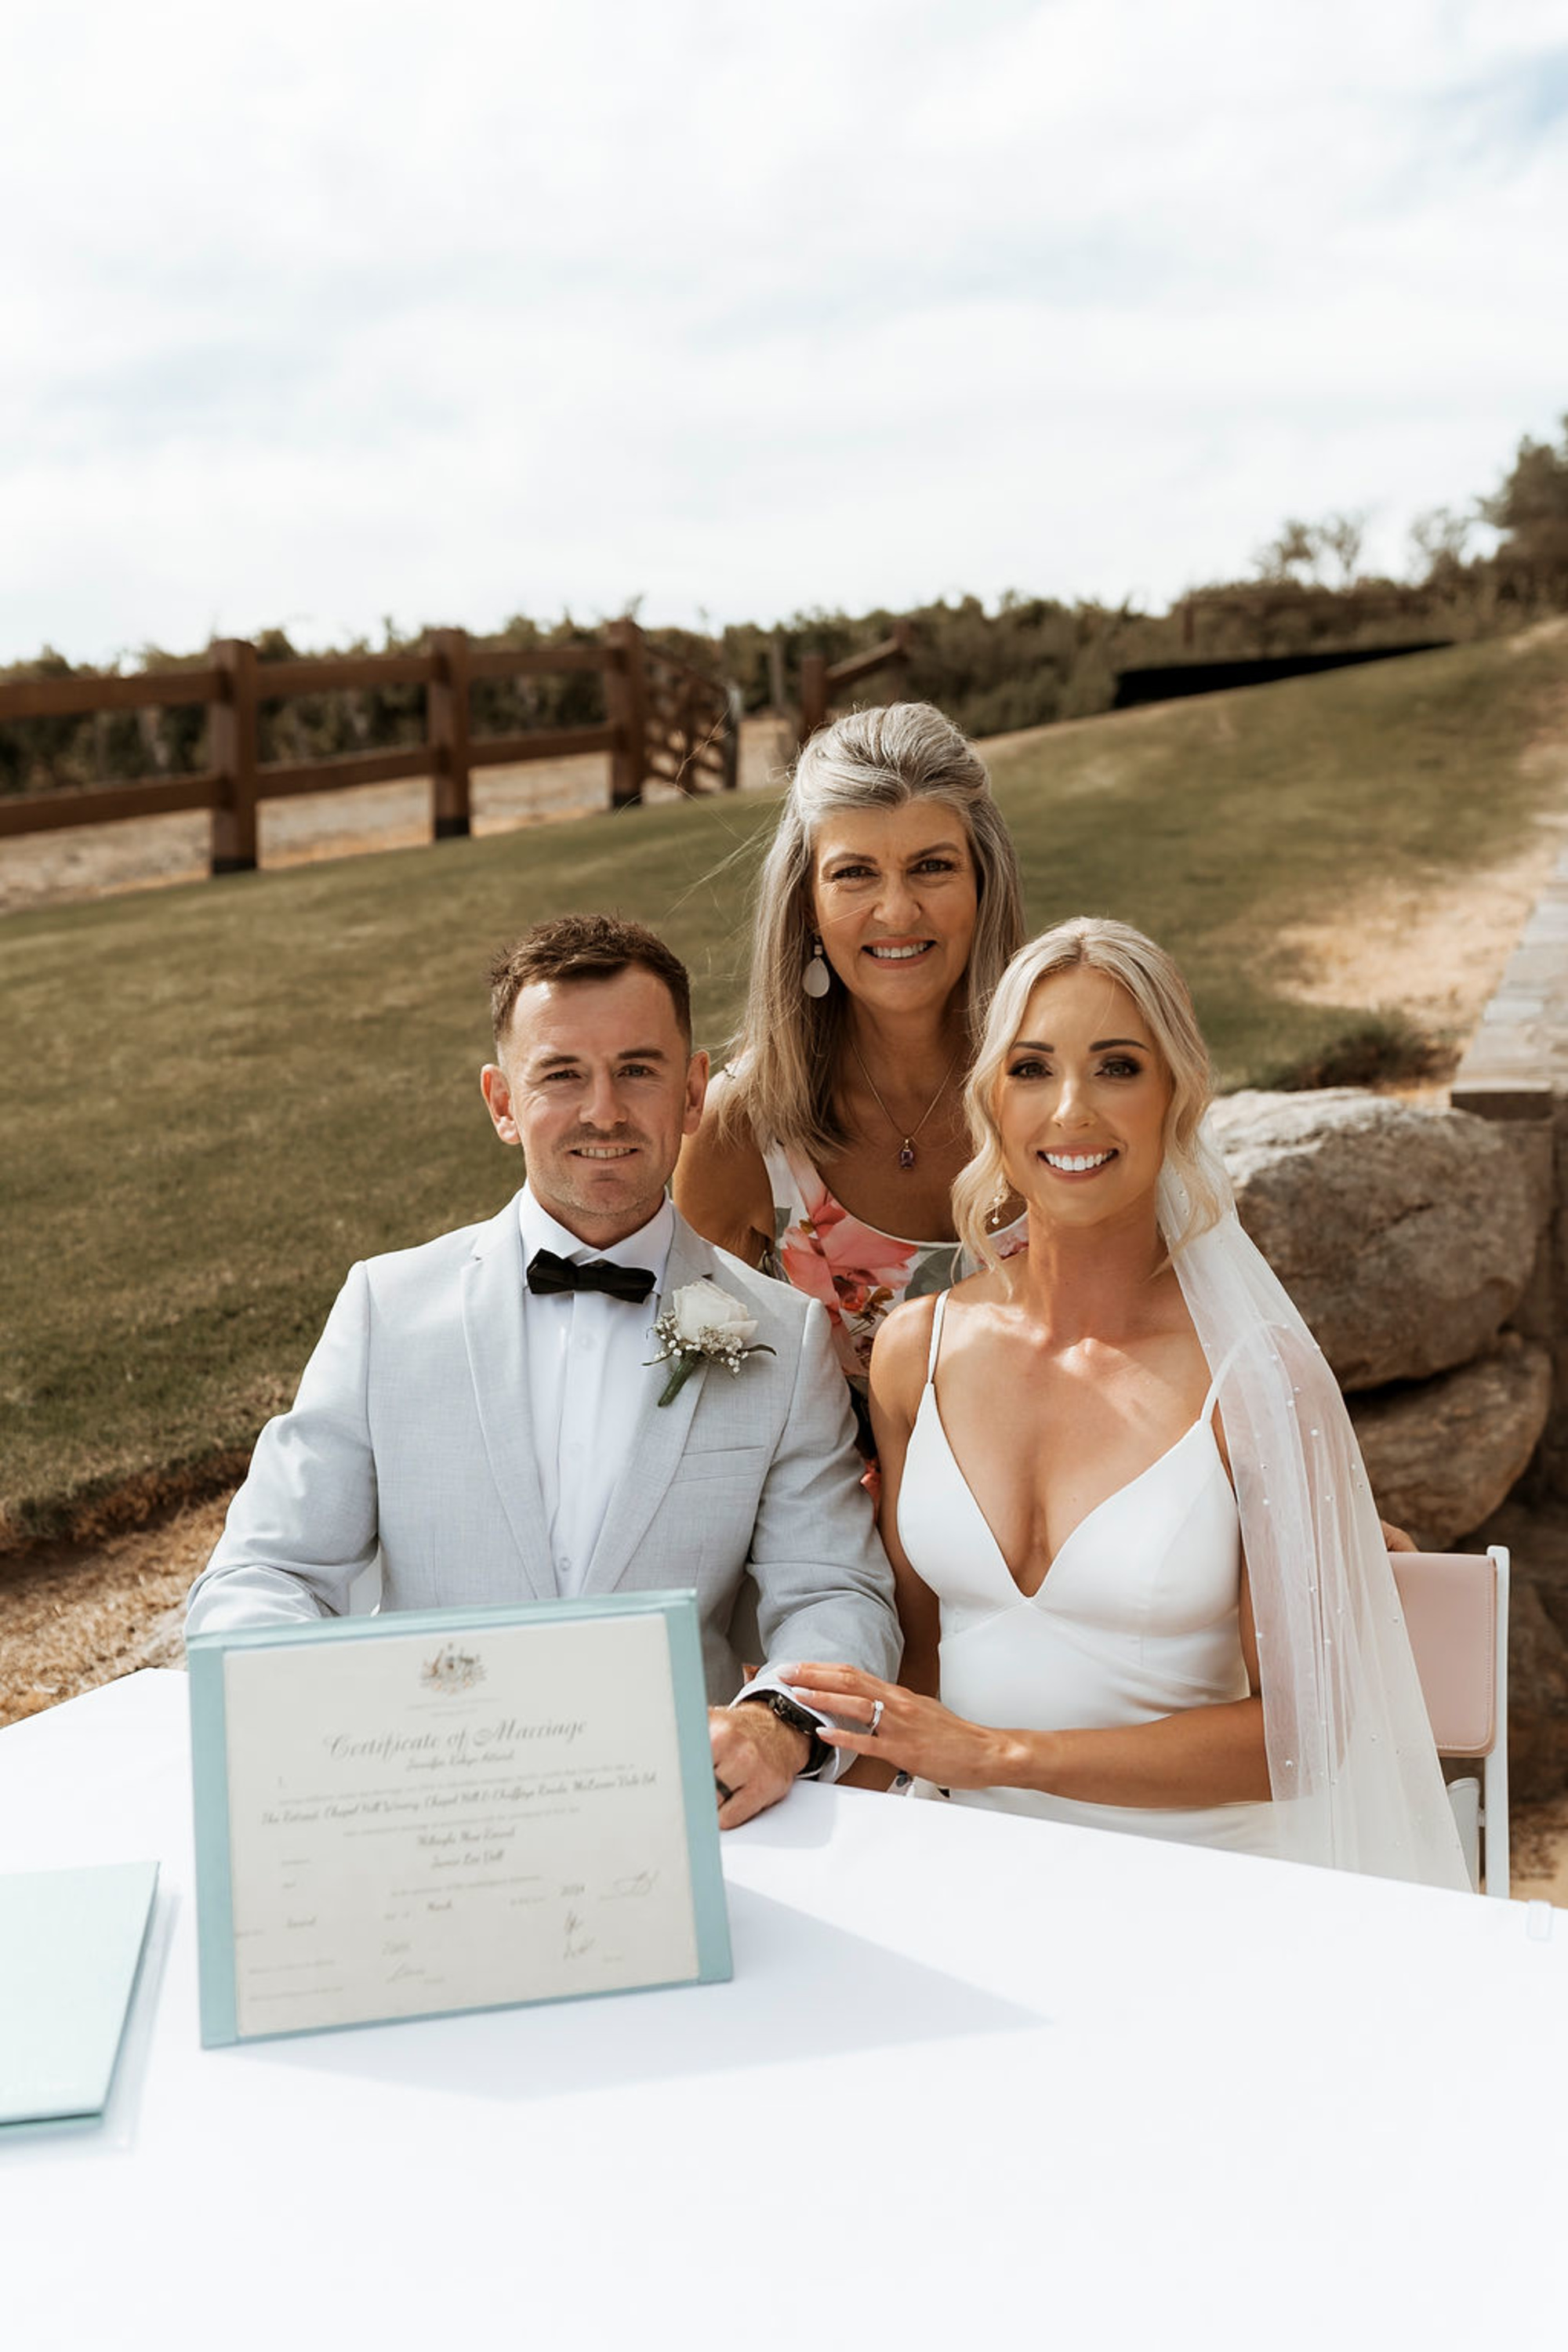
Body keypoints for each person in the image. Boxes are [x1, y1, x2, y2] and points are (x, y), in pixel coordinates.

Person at [785, 916, 1468, 1889]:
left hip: (1198, 1889)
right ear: (990, 1100)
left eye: (1115, 1067)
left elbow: (1306, 1736)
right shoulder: (915, 1350)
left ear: (1177, 1097)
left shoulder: (1255, 1381)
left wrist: (1000, 1757)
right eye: (1031, 1068)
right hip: (962, 1869)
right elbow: (918, 1655)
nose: (1070, 1111)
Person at [187, 913, 901, 1828]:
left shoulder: (785, 1337)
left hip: (686, 1815)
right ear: (500, 1100)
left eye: (636, 1070)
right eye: (561, 1074)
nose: (602, 1110)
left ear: (691, 1094)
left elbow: (835, 1591)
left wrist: (775, 1725)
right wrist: (324, 1721)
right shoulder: (384, 1310)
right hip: (422, 1809)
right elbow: (266, 1573)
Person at [674, 702, 1030, 1447]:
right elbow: (702, 1404)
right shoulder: (741, 1127)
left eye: (933, 866)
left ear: (983, 883)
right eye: (854, 874)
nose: (897, 910)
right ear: (806, 903)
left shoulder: (1058, 1082)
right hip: (847, 1541)